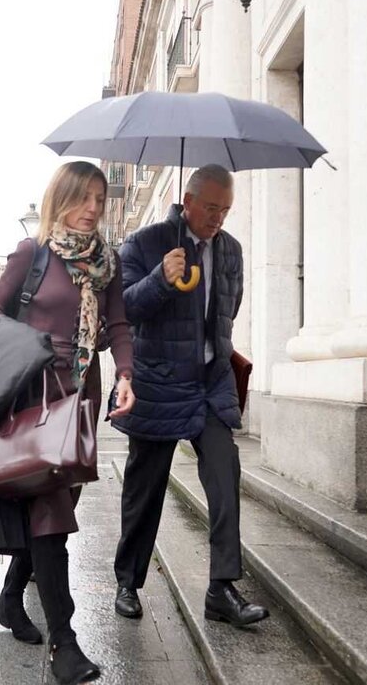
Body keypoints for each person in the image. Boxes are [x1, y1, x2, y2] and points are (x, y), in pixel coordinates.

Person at [0, 162, 135, 685]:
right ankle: (65, 642)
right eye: (85, 198)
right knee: (51, 511)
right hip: (34, 394)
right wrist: (40, 345)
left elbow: (119, 325)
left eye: (101, 200)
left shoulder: (108, 264)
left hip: (80, 396)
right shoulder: (33, 254)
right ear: (61, 198)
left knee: (58, 505)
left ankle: (12, 598)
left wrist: (125, 373)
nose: (94, 209)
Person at [111, 165, 269, 627]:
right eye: (212, 208)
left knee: (225, 475)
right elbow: (124, 309)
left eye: (226, 209)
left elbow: (228, 308)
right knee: (146, 486)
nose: (218, 218)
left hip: (209, 381)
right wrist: (162, 276)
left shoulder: (231, 250)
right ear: (189, 200)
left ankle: (221, 588)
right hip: (158, 382)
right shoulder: (145, 243)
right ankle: (128, 581)